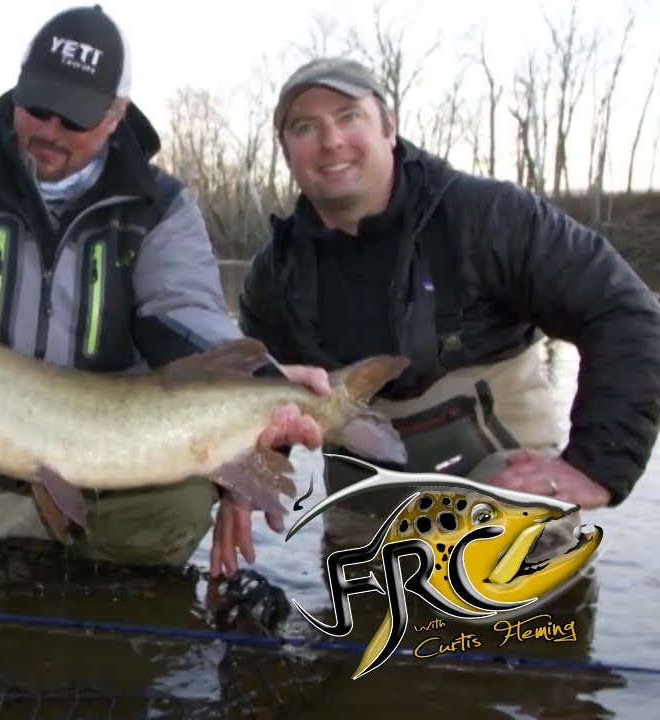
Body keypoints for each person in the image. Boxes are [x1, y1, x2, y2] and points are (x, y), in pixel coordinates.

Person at [0, 5, 330, 573]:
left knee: (178, 505)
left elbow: (183, 315)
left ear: (116, 116)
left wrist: (262, 383)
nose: (49, 131)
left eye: (75, 117)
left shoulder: (162, 207)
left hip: (114, 472)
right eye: (37, 108)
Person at [238, 56, 660, 555]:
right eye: (306, 127)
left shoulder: (491, 216)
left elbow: (625, 315)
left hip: (502, 484)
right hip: (366, 501)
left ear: (388, 127)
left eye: (349, 117)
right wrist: (243, 488)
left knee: (497, 605)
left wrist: (596, 466)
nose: (331, 141)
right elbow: (261, 398)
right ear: (287, 152)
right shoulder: (272, 275)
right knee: (366, 615)